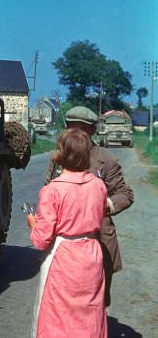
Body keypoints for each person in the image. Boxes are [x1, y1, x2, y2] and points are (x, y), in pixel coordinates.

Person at [46, 106, 134, 306]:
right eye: (71, 127)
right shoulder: (57, 157)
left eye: (82, 129)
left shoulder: (107, 159)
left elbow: (125, 194)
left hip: (98, 239)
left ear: (93, 131)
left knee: (97, 302)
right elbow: (49, 190)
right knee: (62, 302)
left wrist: (101, 204)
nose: (76, 134)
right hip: (64, 240)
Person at [28, 128, 108, 338]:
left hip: (63, 258)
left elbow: (41, 239)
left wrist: (32, 223)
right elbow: (97, 219)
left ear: (61, 153)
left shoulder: (53, 190)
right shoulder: (98, 186)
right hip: (91, 255)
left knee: (58, 318)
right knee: (89, 314)